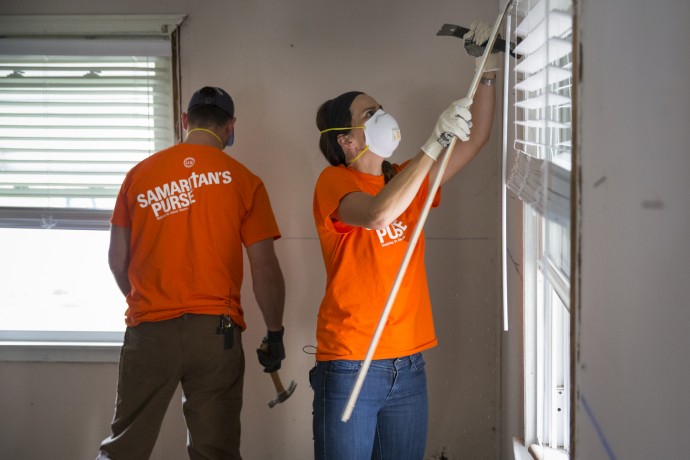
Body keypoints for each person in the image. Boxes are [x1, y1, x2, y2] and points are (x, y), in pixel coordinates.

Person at [309, 22, 501, 459]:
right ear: (347, 139)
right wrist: (433, 144)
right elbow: (377, 215)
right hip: (350, 362)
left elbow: (478, 139)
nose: (382, 116)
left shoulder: (402, 178)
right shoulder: (332, 182)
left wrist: (486, 66)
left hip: (409, 365)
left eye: (381, 108)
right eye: (368, 114)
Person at [97, 86, 286, 460]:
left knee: (124, 449)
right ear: (231, 126)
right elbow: (264, 267)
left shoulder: (139, 175)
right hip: (217, 334)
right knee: (214, 451)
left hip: (149, 330)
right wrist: (275, 332)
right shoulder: (245, 181)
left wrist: (146, 302)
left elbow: (117, 261)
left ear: (185, 121)